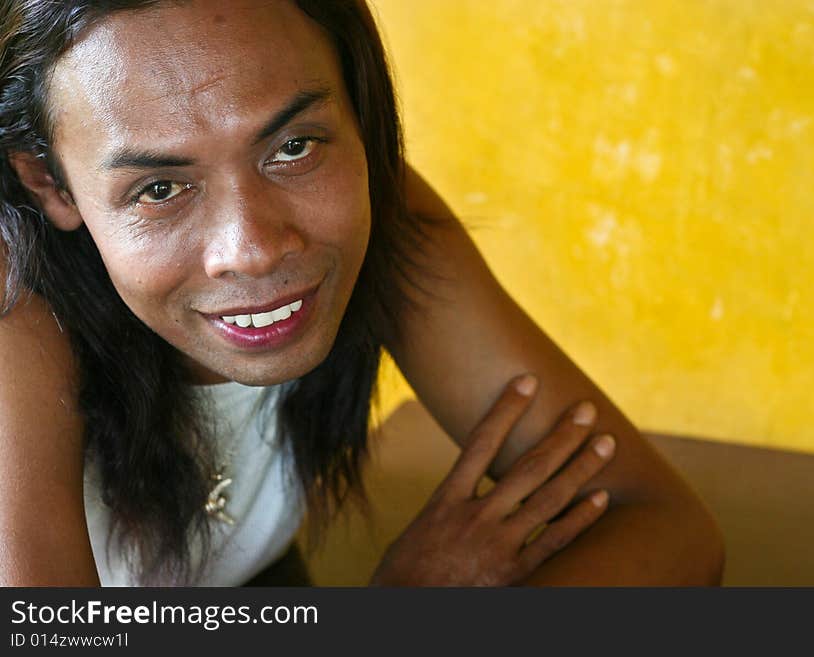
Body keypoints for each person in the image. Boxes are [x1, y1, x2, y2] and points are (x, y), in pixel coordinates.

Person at [0, 0, 724, 586]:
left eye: (293, 147)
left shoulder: (381, 216)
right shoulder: (16, 321)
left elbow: (665, 526)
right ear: (50, 182)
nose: (252, 248)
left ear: (358, 111)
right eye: (159, 188)